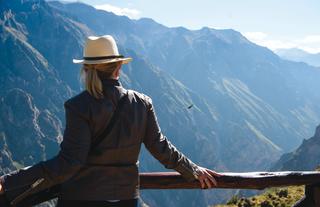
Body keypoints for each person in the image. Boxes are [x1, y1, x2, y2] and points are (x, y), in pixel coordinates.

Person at [0, 35, 220, 207]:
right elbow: (160, 147)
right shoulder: (143, 104)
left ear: (86, 69)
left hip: (81, 200)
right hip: (126, 200)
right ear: (119, 67)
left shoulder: (79, 106)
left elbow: (69, 163)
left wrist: (7, 182)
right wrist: (192, 170)